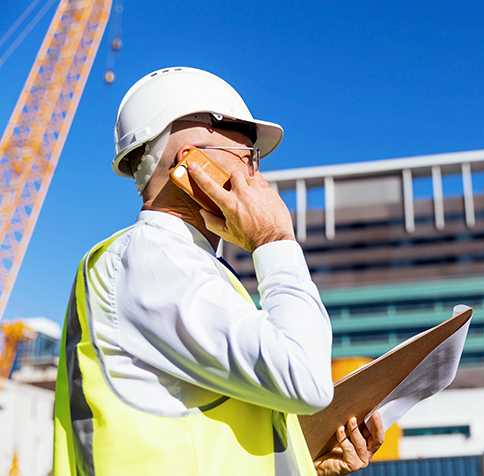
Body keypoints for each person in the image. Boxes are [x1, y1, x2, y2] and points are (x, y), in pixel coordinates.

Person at [53, 67, 384, 476]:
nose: (256, 176)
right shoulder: (150, 256)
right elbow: (306, 378)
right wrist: (275, 238)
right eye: (249, 158)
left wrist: (304, 462)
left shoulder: (188, 268)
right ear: (191, 159)